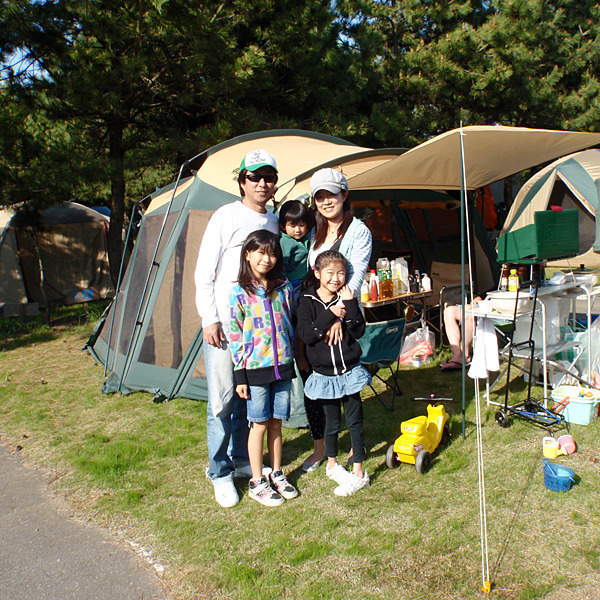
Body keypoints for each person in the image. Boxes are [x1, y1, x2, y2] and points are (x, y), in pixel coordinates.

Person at [195, 149, 280, 508]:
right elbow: (205, 272)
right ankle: (220, 472)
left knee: (249, 396)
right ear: (242, 181)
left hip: (258, 329)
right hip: (225, 324)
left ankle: (243, 459)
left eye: (269, 177)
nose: (262, 184)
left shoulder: (274, 221)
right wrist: (209, 318)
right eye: (254, 177)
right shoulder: (225, 216)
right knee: (222, 400)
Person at [302, 168, 372, 472]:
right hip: (313, 311)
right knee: (314, 379)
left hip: (340, 314)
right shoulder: (317, 232)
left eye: (331, 194)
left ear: (344, 194)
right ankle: (322, 449)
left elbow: (352, 279)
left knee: (343, 388)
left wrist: (336, 316)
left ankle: (354, 451)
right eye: (319, 196)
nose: (326, 201)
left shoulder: (358, 231)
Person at [229, 230, 298, 507]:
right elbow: (235, 335)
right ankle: (258, 480)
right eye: (260, 252)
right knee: (258, 424)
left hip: (283, 366)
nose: (266, 259)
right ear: (248, 254)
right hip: (255, 370)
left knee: (276, 423)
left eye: (271, 253)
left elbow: (290, 325)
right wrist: (240, 374)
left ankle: (277, 474)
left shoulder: (284, 288)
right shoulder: (239, 293)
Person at [296, 250, 372, 496]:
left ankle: (359, 472)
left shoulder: (347, 296)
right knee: (331, 423)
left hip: (349, 371)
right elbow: (307, 334)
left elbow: (358, 330)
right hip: (325, 375)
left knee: (355, 421)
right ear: (317, 274)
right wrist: (332, 314)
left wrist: (349, 306)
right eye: (330, 273)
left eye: (341, 273)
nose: (335, 278)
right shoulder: (307, 300)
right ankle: (332, 464)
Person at [278, 200, 314, 306]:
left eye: (301, 225)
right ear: (282, 226)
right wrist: (284, 285)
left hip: (305, 281)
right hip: (293, 283)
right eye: (292, 226)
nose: (298, 230)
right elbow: (282, 265)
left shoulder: (306, 240)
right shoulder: (285, 242)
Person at [440, 295, 484, 371]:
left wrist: (481, 298)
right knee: (448, 311)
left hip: (488, 306)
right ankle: (457, 355)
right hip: (473, 304)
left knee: (468, 312)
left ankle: (465, 355)